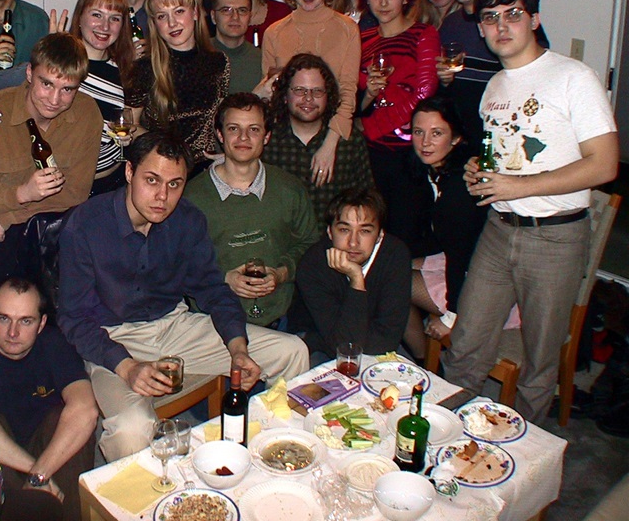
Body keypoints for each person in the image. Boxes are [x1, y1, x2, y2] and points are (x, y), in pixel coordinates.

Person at [58, 130, 309, 460]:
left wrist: (237, 348)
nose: (162, 196)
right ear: (130, 172)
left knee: (292, 351)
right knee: (132, 429)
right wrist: (126, 367)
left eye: (174, 184)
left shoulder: (187, 220)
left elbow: (212, 290)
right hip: (112, 339)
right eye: (152, 180)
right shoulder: (86, 224)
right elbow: (74, 319)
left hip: (175, 326)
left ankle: (281, 453)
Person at [443, 0, 618, 424]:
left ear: (535, 19)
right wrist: (480, 171)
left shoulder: (573, 77)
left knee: (539, 366)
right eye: (490, 17)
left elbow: (604, 165)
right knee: (464, 348)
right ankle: (450, 439)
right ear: (480, 28)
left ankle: (523, 453)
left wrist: (518, 187)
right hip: (499, 230)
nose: (501, 26)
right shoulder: (494, 88)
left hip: (556, 238)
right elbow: (508, 160)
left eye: (513, 14)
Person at [0, 277, 97, 521]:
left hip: (51, 451)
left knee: (68, 420)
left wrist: (40, 473)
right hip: (0, 455)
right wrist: (35, 473)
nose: (13, 332)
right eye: (4, 318)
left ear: (42, 324)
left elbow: (86, 410)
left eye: (26, 321)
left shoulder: (55, 344)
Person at [0, 32, 101, 318]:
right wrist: (20, 194)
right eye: (46, 84)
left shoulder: (87, 112)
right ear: (29, 73)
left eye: (67, 89)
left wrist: (11, 213)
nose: (54, 99)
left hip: (50, 232)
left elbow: (77, 192)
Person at [184, 94, 319, 328]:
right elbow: (175, 260)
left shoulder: (289, 189)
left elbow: (311, 244)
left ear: (267, 136)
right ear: (220, 135)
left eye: (254, 129)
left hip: (279, 321)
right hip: (211, 324)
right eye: (233, 128)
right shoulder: (191, 197)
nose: (243, 137)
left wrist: (282, 273)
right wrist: (223, 278)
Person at [261, 0, 360, 190]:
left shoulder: (347, 29)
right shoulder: (274, 32)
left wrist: (329, 144)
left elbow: (348, 90)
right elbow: (271, 96)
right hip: (286, 142)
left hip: (335, 136)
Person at [357, 0, 439, 248]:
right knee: (370, 236)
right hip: (370, 156)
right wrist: (367, 96)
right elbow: (353, 99)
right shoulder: (362, 39)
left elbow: (425, 92)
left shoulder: (423, 34)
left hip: (408, 153)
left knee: (405, 238)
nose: (383, 2)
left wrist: (377, 126)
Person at [436, 0, 549, 141]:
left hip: (508, 131)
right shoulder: (450, 25)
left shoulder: (515, 23)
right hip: (463, 139)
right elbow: (448, 94)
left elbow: (535, 76)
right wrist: (445, 81)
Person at [405, 96, 486, 357]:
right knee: (387, 263)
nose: (425, 142)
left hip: (478, 280)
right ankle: (422, 356)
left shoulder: (461, 185)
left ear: (456, 138)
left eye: (436, 133)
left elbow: (460, 254)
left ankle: (423, 361)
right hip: (454, 259)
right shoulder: (432, 171)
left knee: (390, 280)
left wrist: (452, 315)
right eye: (419, 132)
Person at [289, 188, 411, 361]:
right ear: (330, 232)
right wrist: (356, 279)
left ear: (379, 236)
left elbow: (388, 340)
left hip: (373, 343)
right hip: (318, 344)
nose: (353, 242)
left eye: (365, 231)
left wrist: (356, 278)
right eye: (344, 230)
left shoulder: (395, 255)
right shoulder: (313, 264)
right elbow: (343, 346)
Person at [124, 0, 229, 173]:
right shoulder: (145, 68)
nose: (172, 23)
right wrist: (163, 147)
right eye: (162, 16)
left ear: (195, 13)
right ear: (154, 24)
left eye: (179, 11)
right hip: (161, 168)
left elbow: (222, 119)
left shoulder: (218, 63)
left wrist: (229, 153)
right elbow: (130, 123)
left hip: (205, 170)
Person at [263, 53, 375, 222]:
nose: (308, 98)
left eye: (317, 91)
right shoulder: (267, 142)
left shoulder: (350, 142)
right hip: (282, 237)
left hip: (333, 237)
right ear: (285, 95)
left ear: (328, 96)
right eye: (299, 90)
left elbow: (368, 201)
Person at [68, 0, 137, 195]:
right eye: (97, 15)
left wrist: (125, 140)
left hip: (111, 186)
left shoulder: (124, 70)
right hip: (68, 188)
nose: (105, 26)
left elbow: (124, 128)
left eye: (114, 18)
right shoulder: (61, 65)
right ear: (80, 18)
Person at [210, 0, 262, 94]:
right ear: (213, 17)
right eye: (226, 10)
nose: (235, 17)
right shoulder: (198, 55)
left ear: (250, 17)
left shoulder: (261, 59)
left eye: (242, 10)